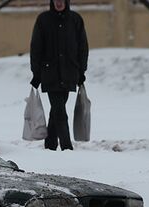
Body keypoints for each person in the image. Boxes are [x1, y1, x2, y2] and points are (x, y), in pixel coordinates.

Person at [30, 0, 89, 151]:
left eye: (61, 0)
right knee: (60, 112)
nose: (59, 3)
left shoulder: (75, 20)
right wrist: (37, 73)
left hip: (70, 72)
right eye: (56, 0)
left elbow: (82, 47)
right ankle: (66, 147)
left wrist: (81, 71)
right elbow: (36, 47)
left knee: (56, 111)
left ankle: (50, 145)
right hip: (50, 73)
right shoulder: (43, 20)